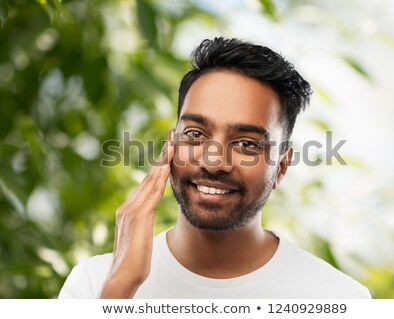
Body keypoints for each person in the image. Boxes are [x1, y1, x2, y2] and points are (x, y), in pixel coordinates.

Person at [59, 37, 370, 299]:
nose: (213, 162)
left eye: (246, 143)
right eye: (195, 134)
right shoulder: (93, 285)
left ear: (282, 166)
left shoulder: (338, 298)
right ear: (172, 144)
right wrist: (120, 292)